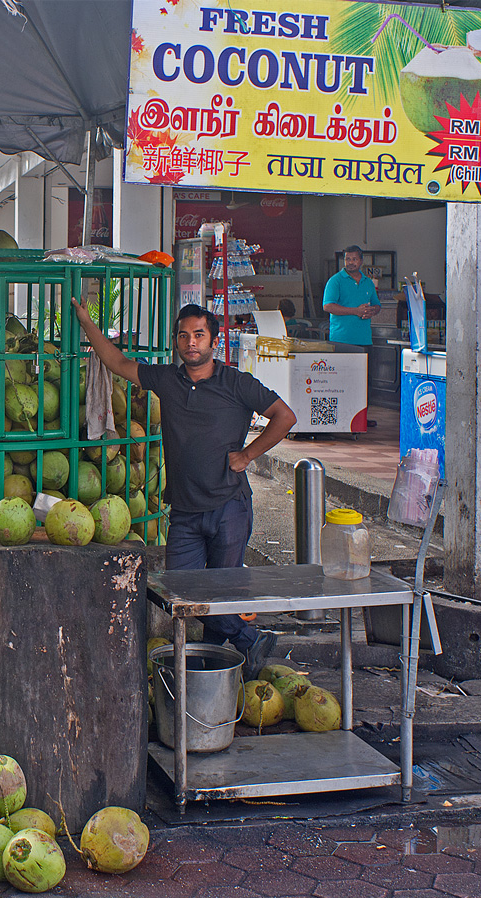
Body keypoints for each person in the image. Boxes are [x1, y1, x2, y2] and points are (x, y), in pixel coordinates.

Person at [73, 298, 298, 679]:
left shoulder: (236, 383)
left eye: (199, 335)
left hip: (230, 507)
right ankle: (248, 642)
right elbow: (117, 362)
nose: (191, 342)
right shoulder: (167, 380)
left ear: (213, 340)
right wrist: (85, 322)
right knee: (182, 594)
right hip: (186, 512)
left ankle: (212, 678)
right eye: (184, 336)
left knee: (219, 596)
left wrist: (247, 455)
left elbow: (285, 416)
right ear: (176, 342)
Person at [322, 245, 382, 346]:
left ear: (361, 261)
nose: (350, 262)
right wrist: (356, 311)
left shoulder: (368, 282)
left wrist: (371, 311)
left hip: (365, 339)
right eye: (347, 259)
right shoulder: (335, 281)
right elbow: (327, 306)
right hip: (341, 340)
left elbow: (377, 305)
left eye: (354, 259)